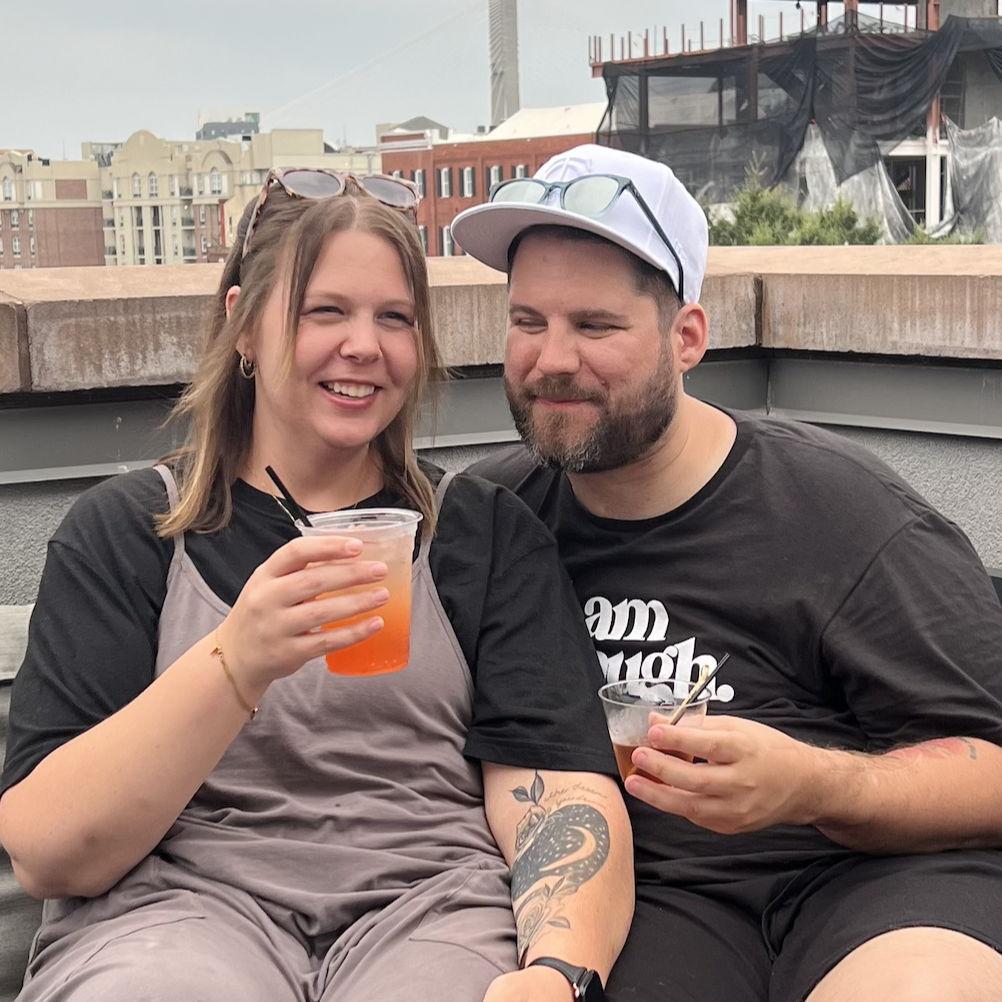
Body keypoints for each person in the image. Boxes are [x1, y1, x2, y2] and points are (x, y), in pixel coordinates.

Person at [0, 169, 633, 1002]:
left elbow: (556, 791)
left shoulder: (483, 533)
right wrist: (237, 659)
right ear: (244, 329)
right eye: (323, 311)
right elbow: (49, 849)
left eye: (394, 318)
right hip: (176, 916)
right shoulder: (129, 533)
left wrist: (556, 972)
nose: (363, 345)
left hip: (427, 910)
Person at [452, 144, 1002, 1002]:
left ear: (688, 338)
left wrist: (815, 782)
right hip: (649, 906)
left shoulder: (844, 512)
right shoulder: (490, 518)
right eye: (528, 322)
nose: (551, 359)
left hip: (873, 883)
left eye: (594, 326)